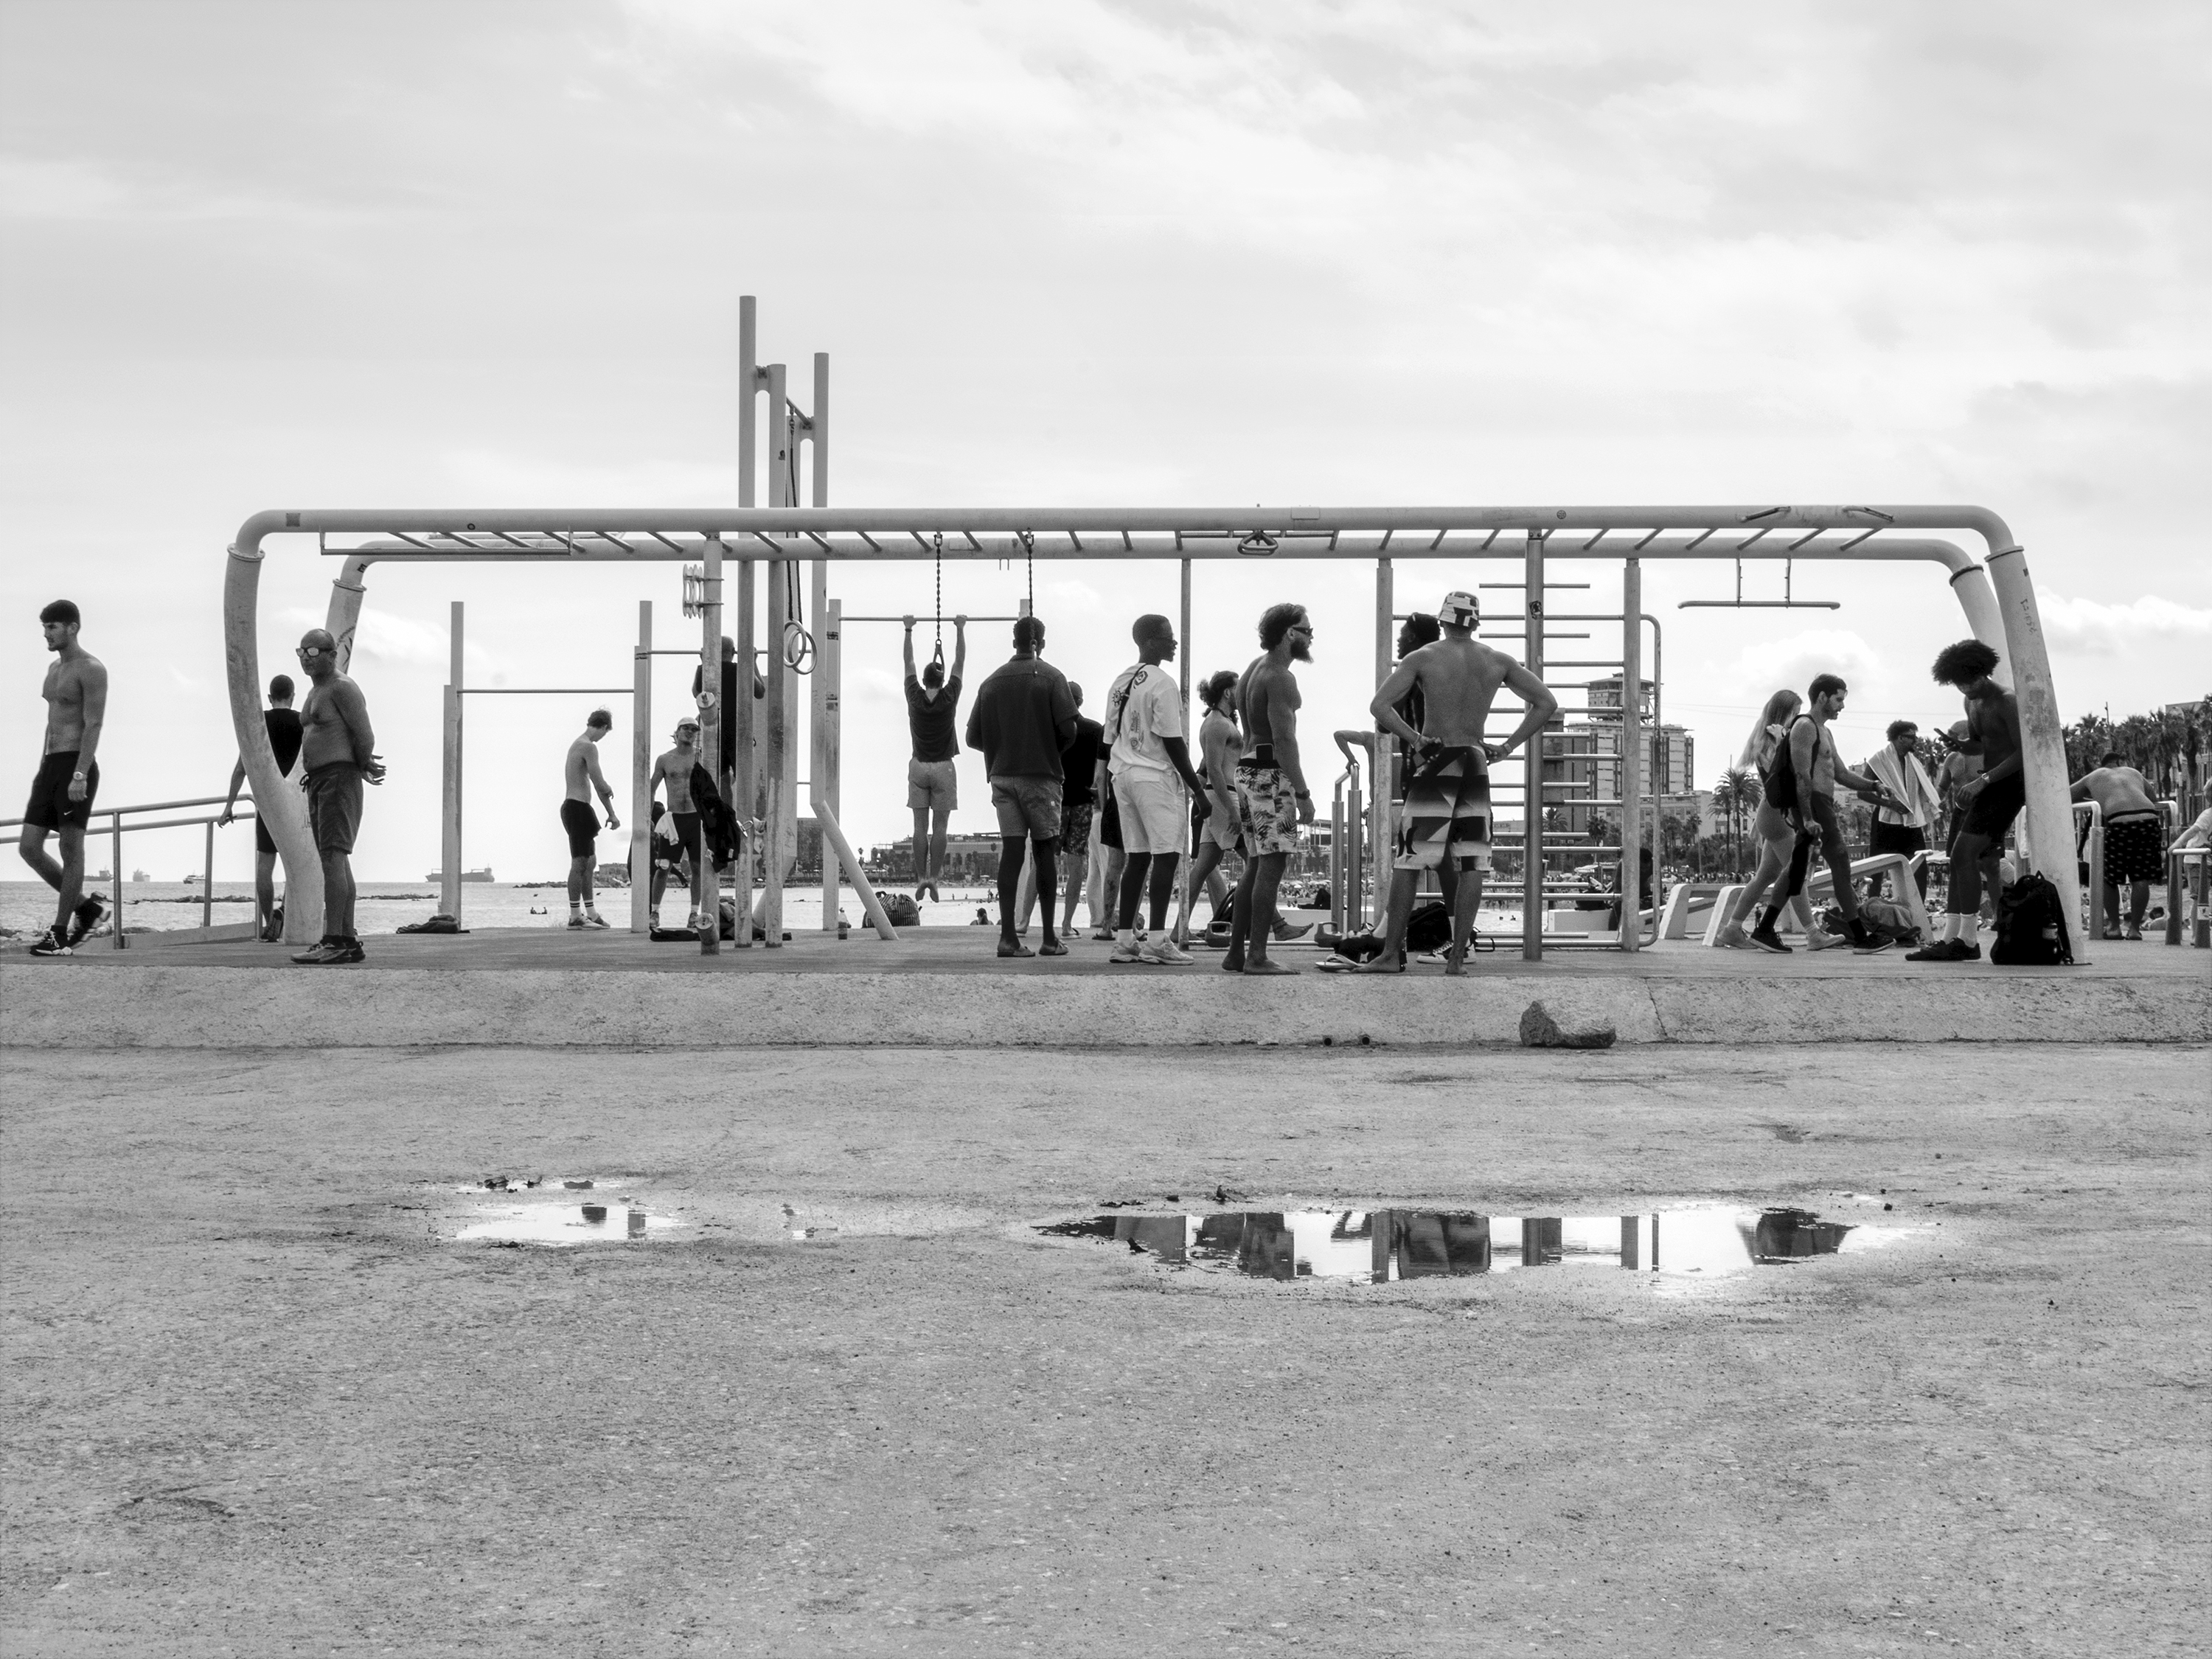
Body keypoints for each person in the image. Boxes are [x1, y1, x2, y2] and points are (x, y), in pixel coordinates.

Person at [1354, 591, 1557, 974]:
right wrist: (1510, 746)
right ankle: (1458, 959)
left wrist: (1415, 740)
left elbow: (1379, 706)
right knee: (1472, 864)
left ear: (1443, 620)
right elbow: (1546, 702)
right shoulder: (1497, 661)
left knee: (1411, 861)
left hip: (1438, 759)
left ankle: (1388, 954)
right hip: (1475, 759)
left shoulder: (1424, 657)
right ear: (1476, 623)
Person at [964, 616, 1077, 959]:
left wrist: (1002, 750)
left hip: (1002, 778)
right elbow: (1069, 729)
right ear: (1040, 642)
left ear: (1014, 642)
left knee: (1012, 853)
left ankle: (1008, 937)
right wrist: (1048, 749)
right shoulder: (1053, 677)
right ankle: (1048, 938)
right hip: (1040, 777)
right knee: (1044, 853)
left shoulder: (991, 682)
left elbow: (971, 737)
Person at [1104, 615, 1211, 966]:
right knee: (1166, 856)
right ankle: (1157, 939)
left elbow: (1110, 739)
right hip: (1153, 776)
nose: (1174, 643)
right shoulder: (1163, 684)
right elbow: (1174, 742)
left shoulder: (1120, 681)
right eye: (1167, 637)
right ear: (1150, 641)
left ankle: (1123, 941)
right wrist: (1198, 789)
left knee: (1137, 857)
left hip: (1122, 774)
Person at [1222, 602, 1321, 975]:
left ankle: (1236, 953)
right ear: (1289, 634)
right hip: (1268, 772)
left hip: (1247, 770)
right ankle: (1257, 956)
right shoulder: (1280, 675)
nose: (1311, 637)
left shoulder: (1253, 669)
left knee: (1255, 865)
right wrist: (1303, 793)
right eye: (1307, 630)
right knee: (1272, 866)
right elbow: (1284, 739)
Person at [1909, 639, 2023, 962]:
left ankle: (1968, 941)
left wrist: (1982, 781)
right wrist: (1958, 744)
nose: (1964, 688)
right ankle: (1955, 937)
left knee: (1963, 853)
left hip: (2008, 784)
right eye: (1958, 682)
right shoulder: (1969, 702)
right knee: (1960, 858)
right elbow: (1980, 745)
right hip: (1989, 782)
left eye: (1969, 681)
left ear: (1983, 673)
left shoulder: (2007, 701)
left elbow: (2021, 754)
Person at [1781, 675, 1902, 955]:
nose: (1842, 706)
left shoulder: (1825, 732)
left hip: (1821, 804)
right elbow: (1801, 776)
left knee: (1795, 872)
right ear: (1822, 698)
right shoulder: (1805, 727)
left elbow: (1842, 774)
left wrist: (1873, 785)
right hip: (1813, 804)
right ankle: (1860, 936)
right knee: (1839, 864)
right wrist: (1808, 817)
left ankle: (1765, 929)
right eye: (1838, 699)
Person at [20, 599, 108, 957]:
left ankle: (59, 934)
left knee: (70, 849)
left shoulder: (91, 669)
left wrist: (79, 774)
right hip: (51, 766)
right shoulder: (53, 670)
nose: (46, 633)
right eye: (44, 627)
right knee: (28, 847)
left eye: (52, 626)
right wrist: (42, 767)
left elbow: (94, 723)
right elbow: (51, 722)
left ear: (72, 627)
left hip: (77, 764)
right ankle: (87, 909)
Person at [291, 627, 384, 964]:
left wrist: (360, 766)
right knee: (336, 858)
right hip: (319, 781)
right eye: (302, 651)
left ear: (332, 654)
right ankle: (346, 939)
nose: (306, 658)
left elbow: (365, 734)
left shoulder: (342, 688)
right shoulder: (316, 691)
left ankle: (334, 940)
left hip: (337, 779)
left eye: (314, 652)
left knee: (333, 857)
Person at [1715, 690, 1830, 952]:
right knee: (1796, 875)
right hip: (1774, 813)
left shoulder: (1766, 737)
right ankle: (1813, 933)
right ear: (1784, 712)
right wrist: (1783, 742)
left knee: (1765, 876)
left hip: (1772, 814)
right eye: (1795, 713)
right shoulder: (1770, 740)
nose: (1797, 719)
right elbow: (1779, 777)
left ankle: (1732, 929)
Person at [218, 672, 303, 942]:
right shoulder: (302, 721)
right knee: (300, 865)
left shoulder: (260, 723)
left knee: (265, 867)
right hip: (298, 803)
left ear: (269, 697)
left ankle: (269, 923)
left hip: (268, 804)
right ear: (292, 696)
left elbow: (240, 769)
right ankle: (286, 912)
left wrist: (229, 806)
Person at [1177, 670, 1245, 946]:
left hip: (1218, 797)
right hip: (1224, 797)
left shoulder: (1221, 722)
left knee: (1203, 867)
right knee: (1255, 861)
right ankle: (1273, 923)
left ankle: (1176, 931)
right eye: (1238, 688)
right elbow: (1215, 771)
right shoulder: (1217, 724)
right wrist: (1232, 810)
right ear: (1228, 693)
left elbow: (1206, 769)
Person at [902, 614, 966, 903]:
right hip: (942, 766)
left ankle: (919, 878)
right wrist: (960, 629)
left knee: (919, 827)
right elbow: (959, 664)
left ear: (924, 680)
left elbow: (909, 663)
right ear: (941, 681)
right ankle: (934, 879)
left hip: (918, 766)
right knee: (941, 827)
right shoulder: (949, 697)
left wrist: (908, 629)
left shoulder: (914, 697)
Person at [2073, 751, 2166, 940]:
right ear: (2119, 763)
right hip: (2149, 819)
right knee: (2141, 878)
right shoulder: (2133, 772)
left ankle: (2114, 927)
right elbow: (2153, 797)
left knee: (2110, 877)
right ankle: (2134, 930)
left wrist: (2095, 798)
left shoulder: (2094, 776)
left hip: (2119, 821)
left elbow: (2065, 795)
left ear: (2103, 764)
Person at [1863, 720, 1941, 900]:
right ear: (1898, 738)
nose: (1916, 741)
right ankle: (1872, 908)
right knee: (1877, 868)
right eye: (1911, 737)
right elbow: (1862, 793)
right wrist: (1890, 804)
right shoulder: (1878, 760)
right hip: (1886, 820)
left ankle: (1919, 910)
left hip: (1910, 821)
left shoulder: (1914, 762)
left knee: (1920, 865)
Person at [561, 709, 621, 930]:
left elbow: (595, 786)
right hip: (576, 807)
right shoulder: (588, 746)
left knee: (590, 862)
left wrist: (610, 811)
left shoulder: (577, 744)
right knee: (579, 862)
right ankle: (575, 916)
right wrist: (611, 808)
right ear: (604, 728)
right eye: (606, 732)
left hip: (580, 808)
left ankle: (592, 913)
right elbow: (599, 783)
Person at [649, 717, 706, 930]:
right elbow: (652, 788)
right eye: (686, 729)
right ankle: (654, 911)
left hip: (695, 817)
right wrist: (648, 816)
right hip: (673, 818)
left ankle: (694, 913)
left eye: (694, 729)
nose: (690, 732)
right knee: (663, 865)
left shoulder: (702, 757)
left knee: (697, 867)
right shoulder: (665, 759)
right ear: (677, 731)